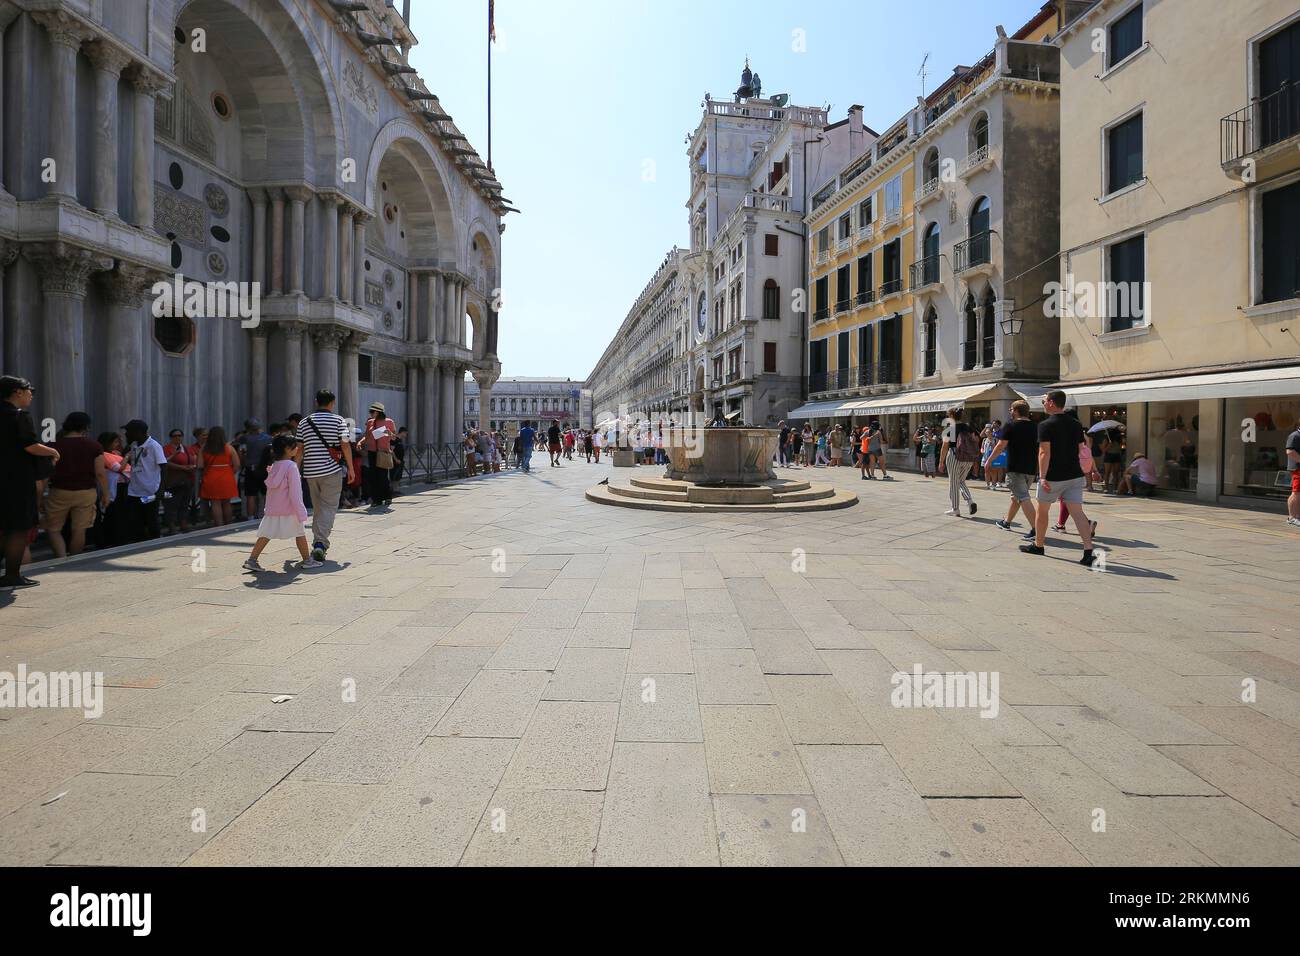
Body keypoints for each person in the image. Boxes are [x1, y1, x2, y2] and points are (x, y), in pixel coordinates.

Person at [1020, 390, 1099, 565]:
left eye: (1044, 401)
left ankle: (1038, 545)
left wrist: (1042, 477)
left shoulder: (1045, 425)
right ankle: (1088, 551)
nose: (1043, 404)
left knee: (1043, 511)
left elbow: (1044, 453)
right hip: (1074, 474)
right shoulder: (1076, 424)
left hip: (1053, 476)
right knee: (1078, 513)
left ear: (1052, 403)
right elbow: (1080, 448)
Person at [1, 376, 58, 589]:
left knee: (4, 526)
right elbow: (29, 445)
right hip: (17, 479)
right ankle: (12, 575)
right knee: (18, 528)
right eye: (29, 390)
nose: (31, 394)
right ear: (17, 392)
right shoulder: (19, 416)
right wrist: (53, 450)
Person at [244, 435, 319, 572]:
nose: (297, 448)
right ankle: (307, 560)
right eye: (294, 446)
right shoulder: (291, 467)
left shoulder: (274, 466)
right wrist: (301, 511)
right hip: (289, 509)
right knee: (299, 533)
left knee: (265, 534)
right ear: (287, 449)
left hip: (273, 509)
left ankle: (252, 560)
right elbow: (295, 493)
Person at [297, 389, 355, 563]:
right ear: (332, 403)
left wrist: (294, 470)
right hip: (331, 470)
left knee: (318, 509)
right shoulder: (338, 420)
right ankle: (320, 544)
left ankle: (318, 541)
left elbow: (300, 449)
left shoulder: (304, 422)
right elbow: (345, 446)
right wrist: (351, 469)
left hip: (310, 472)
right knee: (329, 508)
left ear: (316, 401)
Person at [46, 412, 108, 558]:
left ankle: (61, 558)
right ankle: (74, 559)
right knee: (79, 529)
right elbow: (100, 473)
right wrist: (106, 494)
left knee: (53, 529)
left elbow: (45, 473)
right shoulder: (94, 446)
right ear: (86, 426)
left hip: (59, 491)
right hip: (86, 492)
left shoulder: (53, 446)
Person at [987, 401, 1038, 536]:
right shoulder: (1036, 426)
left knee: (1022, 497)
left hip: (1016, 468)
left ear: (1015, 411)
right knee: (1016, 497)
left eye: (1011, 409)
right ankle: (1007, 522)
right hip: (1031, 468)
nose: (1010, 412)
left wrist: (989, 461)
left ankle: (1037, 530)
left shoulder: (1011, 425)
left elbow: (1000, 446)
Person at [122, 420, 166, 542]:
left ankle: (155, 545)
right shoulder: (133, 445)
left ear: (138, 432)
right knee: (136, 523)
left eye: (128, 432)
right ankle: (139, 546)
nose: (126, 434)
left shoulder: (154, 446)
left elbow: (164, 467)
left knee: (152, 522)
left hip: (150, 491)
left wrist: (161, 490)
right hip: (134, 491)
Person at [937, 408, 979, 517]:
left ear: (951, 416)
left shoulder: (949, 428)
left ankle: (955, 508)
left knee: (954, 482)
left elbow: (945, 446)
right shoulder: (968, 427)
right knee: (960, 481)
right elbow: (976, 440)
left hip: (954, 456)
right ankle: (970, 501)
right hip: (968, 458)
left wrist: (941, 462)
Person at [197, 426, 241, 527]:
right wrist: (230, 472)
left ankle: (219, 526)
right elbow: (237, 464)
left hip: (211, 476)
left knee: (215, 503)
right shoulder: (229, 448)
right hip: (227, 476)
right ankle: (229, 524)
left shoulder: (204, 448)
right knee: (226, 502)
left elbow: (199, 465)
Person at [97, 431, 130, 548]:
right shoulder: (105, 455)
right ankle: (111, 539)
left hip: (121, 486)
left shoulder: (113, 454)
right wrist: (127, 456)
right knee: (114, 514)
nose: (117, 444)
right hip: (115, 488)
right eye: (115, 441)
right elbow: (119, 468)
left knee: (120, 514)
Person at [162, 429, 197, 535]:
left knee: (184, 503)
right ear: (171, 437)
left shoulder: (187, 448)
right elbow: (165, 462)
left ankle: (183, 524)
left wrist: (192, 466)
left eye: (180, 435)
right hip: (172, 482)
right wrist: (183, 468)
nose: (178, 437)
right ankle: (172, 527)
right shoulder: (166, 449)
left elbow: (194, 458)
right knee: (171, 504)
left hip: (187, 481)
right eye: (175, 435)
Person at [363, 402, 397, 508]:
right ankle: (376, 500)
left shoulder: (389, 422)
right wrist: (361, 442)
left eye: (372, 412)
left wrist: (390, 434)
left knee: (382, 477)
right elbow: (367, 436)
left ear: (378, 412)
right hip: (372, 452)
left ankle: (387, 497)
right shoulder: (370, 422)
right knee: (373, 477)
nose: (370, 414)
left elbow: (394, 438)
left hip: (383, 452)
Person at [237, 419, 272, 520]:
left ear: (247, 428)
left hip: (250, 468)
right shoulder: (269, 438)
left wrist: (242, 464)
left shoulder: (244, 438)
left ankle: (250, 517)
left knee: (250, 494)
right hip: (266, 469)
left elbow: (242, 452)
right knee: (266, 493)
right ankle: (267, 515)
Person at [1287, 421, 1300, 527]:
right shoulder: (1295, 435)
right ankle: (1292, 518)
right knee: (1296, 493)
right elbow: (1290, 451)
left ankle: (1297, 516)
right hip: (1297, 469)